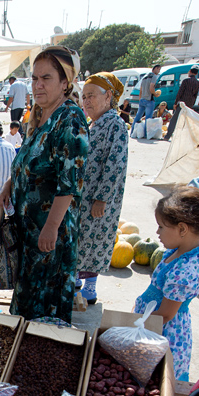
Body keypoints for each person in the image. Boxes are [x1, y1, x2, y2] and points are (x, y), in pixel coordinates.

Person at [0, 46, 89, 324]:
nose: (37, 85)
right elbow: (33, 161)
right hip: (31, 230)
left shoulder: (70, 120)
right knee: (28, 298)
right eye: (34, 79)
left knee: (45, 306)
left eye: (46, 78)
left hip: (51, 234)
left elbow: (69, 182)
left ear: (65, 83)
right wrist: (11, 183)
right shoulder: (41, 116)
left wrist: (50, 228)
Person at [135, 187, 199, 381]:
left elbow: (166, 314)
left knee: (154, 378)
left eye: (161, 227)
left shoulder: (187, 269)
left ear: (182, 229)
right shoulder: (181, 249)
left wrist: (132, 327)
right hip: (151, 320)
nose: (157, 232)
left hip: (162, 331)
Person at [75, 73, 129, 304]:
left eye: (91, 96)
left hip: (98, 199)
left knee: (95, 241)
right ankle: (77, 281)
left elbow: (114, 164)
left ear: (108, 96)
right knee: (82, 239)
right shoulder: (96, 123)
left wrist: (102, 198)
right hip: (85, 196)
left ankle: (90, 289)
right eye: (84, 97)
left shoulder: (115, 124)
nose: (86, 101)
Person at [165, 65, 199, 141]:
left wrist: (175, 103)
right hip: (190, 104)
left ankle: (168, 136)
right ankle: (183, 137)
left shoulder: (186, 80)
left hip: (182, 103)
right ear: (196, 73)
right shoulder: (197, 82)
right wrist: (192, 104)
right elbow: (195, 95)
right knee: (185, 120)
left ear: (190, 71)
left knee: (174, 119)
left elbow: (180, 92)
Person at [131, 64, 161, 137]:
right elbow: (151, 88)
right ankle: (146, 134)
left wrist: (140, 99)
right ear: (156, 68)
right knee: (148, 118)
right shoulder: (154, 76)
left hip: (142, 100)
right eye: (159, 69)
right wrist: (155, 94)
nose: (159, 71)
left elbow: (140, 90)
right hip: (149, 100)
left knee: (138, 116)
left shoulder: (144, 77)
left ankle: (132, 132)